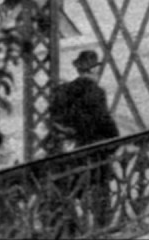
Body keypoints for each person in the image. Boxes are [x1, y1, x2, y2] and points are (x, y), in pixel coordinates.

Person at [51, 50, 120, 230]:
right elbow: (105, 122)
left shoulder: (65, 90)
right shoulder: (96, 92)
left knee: (74, 188)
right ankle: (102, 226)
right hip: (95, 149)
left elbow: (56, 118)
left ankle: (71, 226)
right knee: (100, 187)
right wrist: (114, 141)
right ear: (93, 70)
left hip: (74, 148)